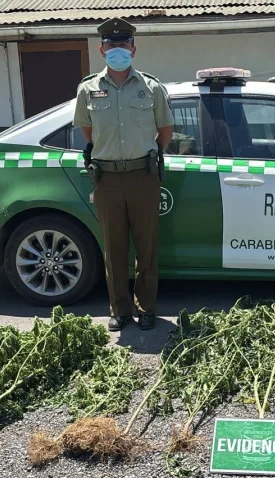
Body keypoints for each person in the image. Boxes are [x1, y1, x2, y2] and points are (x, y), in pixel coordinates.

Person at [73, 17, 174, 331]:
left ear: (133, 48)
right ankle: (120, 310)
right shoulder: (88, 89)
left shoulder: (151, 87)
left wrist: (147, 155)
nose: (118, 49)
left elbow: (165, 131)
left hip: (143, 176)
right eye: (111, 44)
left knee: (146, 247)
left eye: (123, 44)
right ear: (102, 50)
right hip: (107, 179)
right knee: (114, 249)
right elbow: (88, 132)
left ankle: (146, 308)